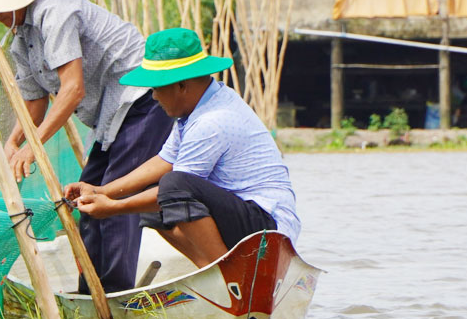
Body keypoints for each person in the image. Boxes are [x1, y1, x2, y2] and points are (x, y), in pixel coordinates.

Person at [0, 0, 173, 292]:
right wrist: (15, 142)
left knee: (114, 194)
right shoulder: (21, 38)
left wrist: (34, 148)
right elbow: (34, 101)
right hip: (112, 114)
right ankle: (92, 289)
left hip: (141, 97)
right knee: (85, 194)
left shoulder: (56, 13)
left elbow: (72, 89)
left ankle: (115, 292)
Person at [66, 28, 300, 269]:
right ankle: (211, 267)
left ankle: (227, 272)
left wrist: (114, 208)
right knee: (153, 194)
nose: (154, 97)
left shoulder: (211, 121)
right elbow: (164, 160)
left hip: (267, 226)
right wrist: (102, 191)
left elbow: (178, 186)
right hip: (241, 217)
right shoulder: (198, 109)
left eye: (156, 88)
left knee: (172, 187)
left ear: (181, 86)